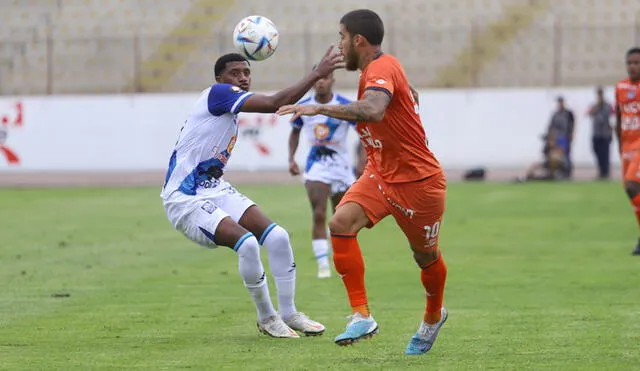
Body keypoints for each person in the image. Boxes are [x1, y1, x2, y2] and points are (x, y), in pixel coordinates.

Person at [278, 9, 447, 355]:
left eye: (342, 37)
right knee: (340, 223)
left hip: (419, 183)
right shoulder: (380, 68)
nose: (339, 45)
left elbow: (372, 110)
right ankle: (361, 315)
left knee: (425, 257)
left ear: (358, 40)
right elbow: (387, 93)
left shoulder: (382, 67)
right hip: (380, 173)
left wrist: (318, 109)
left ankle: (433, 316)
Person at [161, 47, 344, 338]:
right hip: (185, 197)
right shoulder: (217, 94)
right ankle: (267, 318)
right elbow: (274, 103)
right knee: (247, 244)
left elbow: (275, 102)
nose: (243, 78)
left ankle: (289, 313)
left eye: (247, 72)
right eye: (236, 73)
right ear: (219, 77)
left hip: (213, 188)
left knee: (278, 237)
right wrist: (317, 73)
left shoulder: (228, 102)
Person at [288, 70, 356, 279]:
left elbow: (363, 131)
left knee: (341, 218)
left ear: (332, 81)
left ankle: (342, 260)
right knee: (319, 213)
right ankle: (323, 265)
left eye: (324, 79)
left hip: (342, 168)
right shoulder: (304, 106)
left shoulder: (344, 105)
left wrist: (366, 159)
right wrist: (291, 158)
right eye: (317, 79)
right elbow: (295, 132)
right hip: (316, 166)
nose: (320, 83)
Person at [615, 47, 640, 255]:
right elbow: (619, 118)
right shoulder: (621, 87)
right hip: (627, 145)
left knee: (632, 185)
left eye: (636, 63)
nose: (632, 66)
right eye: (629, 63)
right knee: (630, 191)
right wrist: (619, 145)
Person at [588, 87, 614, 180]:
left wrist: (611, 131)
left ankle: (605, 173)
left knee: (605, 154)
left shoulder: (608, 106)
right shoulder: (595, 106)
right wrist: (597, 107)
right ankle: (601, 171)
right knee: (597, 153)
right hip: (596, 133)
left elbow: (613, 118)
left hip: (605, 134)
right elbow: (589, 114)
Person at [547, 96, 575, 178]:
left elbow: (572, 124)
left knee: (566, 155)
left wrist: (572, 134)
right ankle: (558, 171)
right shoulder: (555, 114)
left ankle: (568, 171)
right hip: (557, 137)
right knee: (557, 155)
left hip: (564, 137)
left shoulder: (568, 113)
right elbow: (551, 126)